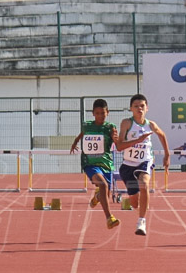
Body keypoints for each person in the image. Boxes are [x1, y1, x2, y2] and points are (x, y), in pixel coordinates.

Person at [114, 94, 170, 236]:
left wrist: (167, 155)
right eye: (136, 106)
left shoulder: (151, 125)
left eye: (142, 106)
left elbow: (162, 135)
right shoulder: (126, 123)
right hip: (128, 164)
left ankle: (142, 222)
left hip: (145, 161)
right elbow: (120, 146)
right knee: (134, 203)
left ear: (147, 108)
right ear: (131, 109)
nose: (139, 109)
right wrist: (138, 140)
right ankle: (137, 206)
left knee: (144, 184)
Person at [69, 98, 120, 229]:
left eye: (103, 113)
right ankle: (109, 218)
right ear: (93, 113)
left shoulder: (110, 127)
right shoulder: (87, 125)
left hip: (106, 163)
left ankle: (97, 197)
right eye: (97, 113)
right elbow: (81, 135)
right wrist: (74, 143)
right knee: (102, 185)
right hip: (90, 163)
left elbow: (117, 143)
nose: (100, 116)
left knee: (105, 194)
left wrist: (116, 139)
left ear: (107, 112)